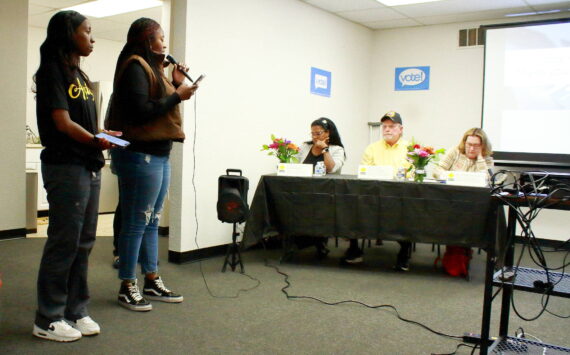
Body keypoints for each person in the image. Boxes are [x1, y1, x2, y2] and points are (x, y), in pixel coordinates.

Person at [33, 10, 116, 342]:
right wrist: (95, 139)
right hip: (65, 165)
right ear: (69, 34)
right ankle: (47, 318)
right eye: (87, 32)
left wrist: (101, 133)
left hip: (88, 164)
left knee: (83, 243)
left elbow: (83, 124)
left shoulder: (79, 75)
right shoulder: (52, 71)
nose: (92, 38)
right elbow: (62, 124)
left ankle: (75, 310)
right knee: (64, 241)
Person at [106, 17, 198, 311]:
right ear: (147, 40)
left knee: (152, 220)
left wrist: (176, 84)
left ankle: (151, 279)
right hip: (139, 154)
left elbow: (155, 103)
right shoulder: (135, 65)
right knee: (136, 221)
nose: (164, 43)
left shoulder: (154, 68)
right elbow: (141, 112)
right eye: (160, 38)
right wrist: (177, 97)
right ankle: (127, 285)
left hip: (159, 152)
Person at [341, 111, 412, 271]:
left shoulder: (411, 149)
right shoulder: (372, 148)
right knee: (352, 206)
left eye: (392, 126)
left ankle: (404, 252)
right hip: (374, 195)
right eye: (384, 126)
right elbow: (365, 172)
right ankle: (354, 249)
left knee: (409, 210)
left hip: (400, 196)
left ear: (400, 129)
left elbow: (411, 174)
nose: (387, 129)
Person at [296, 117, 346, 257]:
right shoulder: (305, 146)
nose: (314, 137)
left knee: (320, 208)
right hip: (304, 190)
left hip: (326, 193)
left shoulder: (337, 149)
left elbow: (331, 169)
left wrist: (325, 150)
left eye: (318, 133)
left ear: (328, 133)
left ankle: (320, 242)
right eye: (312, 133)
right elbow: (295, 166)